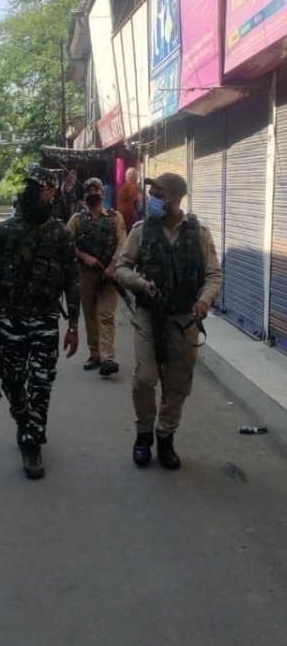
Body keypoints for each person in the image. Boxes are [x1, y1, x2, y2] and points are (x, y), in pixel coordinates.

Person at [114, 173, 222, 470]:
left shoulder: (199, 233)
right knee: (144, 378)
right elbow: (121, 268)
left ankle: (165, 436)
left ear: (176, 199)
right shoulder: (142, 230)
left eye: (158, 195)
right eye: (152, 194)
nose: (152, 199)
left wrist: (204, 301)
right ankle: (143, 435)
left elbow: (213, 275)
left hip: (184, 319)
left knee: (178, 383)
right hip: (149, 316)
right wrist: (141, 284)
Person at [0, 167, 80, 480]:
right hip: (9, 317)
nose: (33, 193)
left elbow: (72, 280)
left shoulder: (61, 234)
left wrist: (73, 325)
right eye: (31, 187)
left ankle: (32, 442)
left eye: (40, 188)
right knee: (12, 379)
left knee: (41, 381)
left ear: (52, 193)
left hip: (46, 317)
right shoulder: (7, 230)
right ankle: (22, 416)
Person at [67, 177, 127, 377]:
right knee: (90, 316)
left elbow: (122, 244)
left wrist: (112, 266)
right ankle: (95, 354)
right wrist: (84, 256)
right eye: (89, 190)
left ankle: (107, 357)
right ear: (84, 195)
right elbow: (65, 243)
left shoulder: (115, 217)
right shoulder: (77, 219)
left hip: (108, 275)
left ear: (103, 193)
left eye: (96, 190)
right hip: (86, 275)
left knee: (106, 315)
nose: (93, 193)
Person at [117, 167, 142, 233]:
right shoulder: (131, 186)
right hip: (127, 213)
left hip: (122, 212)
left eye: (126, 175)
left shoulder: (127, 185)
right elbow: (140, 198)